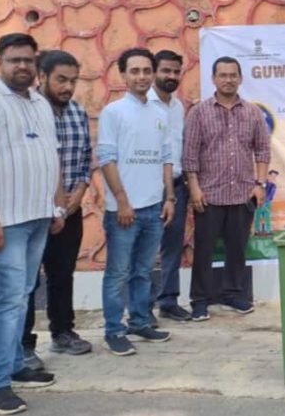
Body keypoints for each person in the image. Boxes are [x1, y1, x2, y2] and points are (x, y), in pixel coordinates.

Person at [0, 33, 66, 413]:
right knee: (7, 298)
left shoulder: (39, 102)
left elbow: (50, 156)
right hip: (2, 222)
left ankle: (16, 365)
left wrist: (56, 207)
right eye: (13, 60)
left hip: (37, 217)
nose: (22, 66)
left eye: (27, 60)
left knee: (21, 294)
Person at [98, 48, 175, 356]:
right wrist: (122, 201)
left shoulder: (160, 114)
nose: (141, 76)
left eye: (146, 70)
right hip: (123, 211)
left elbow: (167, 158)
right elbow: (106, 159)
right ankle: (114, 330)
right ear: (123, 75)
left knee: (142, 271)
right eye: (135, 71)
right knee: (117, 273)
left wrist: (169, 197)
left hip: (154, 207)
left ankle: (140, 322)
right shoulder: (113, 113)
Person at [183, 57, 271, 322]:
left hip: (243, 193)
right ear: (213, 79)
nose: (228, 80)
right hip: (208, 195)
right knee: (204, 250)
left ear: (240, 78)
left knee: (237, 248)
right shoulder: (199, 112)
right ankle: (200, 300)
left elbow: (263, 150)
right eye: (223, 75)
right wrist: (195, 188)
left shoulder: (253, 112)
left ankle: (234, 294)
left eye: (233, 75)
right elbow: (189, 155)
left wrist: (260, 184)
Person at [21, 51, 94, 367]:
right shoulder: (26, 114)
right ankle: (22, 345)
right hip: (33, 211)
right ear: (42, 77)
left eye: (72, 81)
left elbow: (84, 158)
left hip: (71, 210)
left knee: (62, 274)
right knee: (26, 281)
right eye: (61, 80)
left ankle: (63, 332)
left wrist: (78, 193)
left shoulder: (77, 112)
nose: (67, 87)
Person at [147, 50, 192, 324]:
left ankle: (168, 301)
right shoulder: (143, 105)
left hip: (176, 186)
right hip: (149, 186)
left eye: (176, 71)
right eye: (166, 70)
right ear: (154, 72)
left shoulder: (178, 107)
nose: (171, 76)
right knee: (144, 247)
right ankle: (142, 307)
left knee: (172, 246)